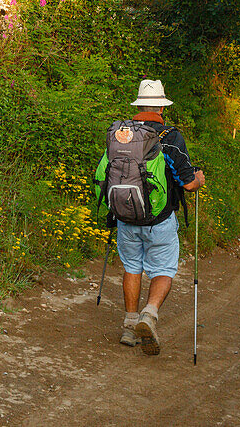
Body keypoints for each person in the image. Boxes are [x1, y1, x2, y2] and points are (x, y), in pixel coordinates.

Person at [98, 79, 205, 356]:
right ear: (160, 107)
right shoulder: (169, 136)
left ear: (138, 105)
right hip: (160, 220)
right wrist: (199, 179)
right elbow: (188, 183)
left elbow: (102, 175)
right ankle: (149, 315)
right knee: (163, 270)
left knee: (132, 266)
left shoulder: (121, 134)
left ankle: (129, 325)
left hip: (125, 218)